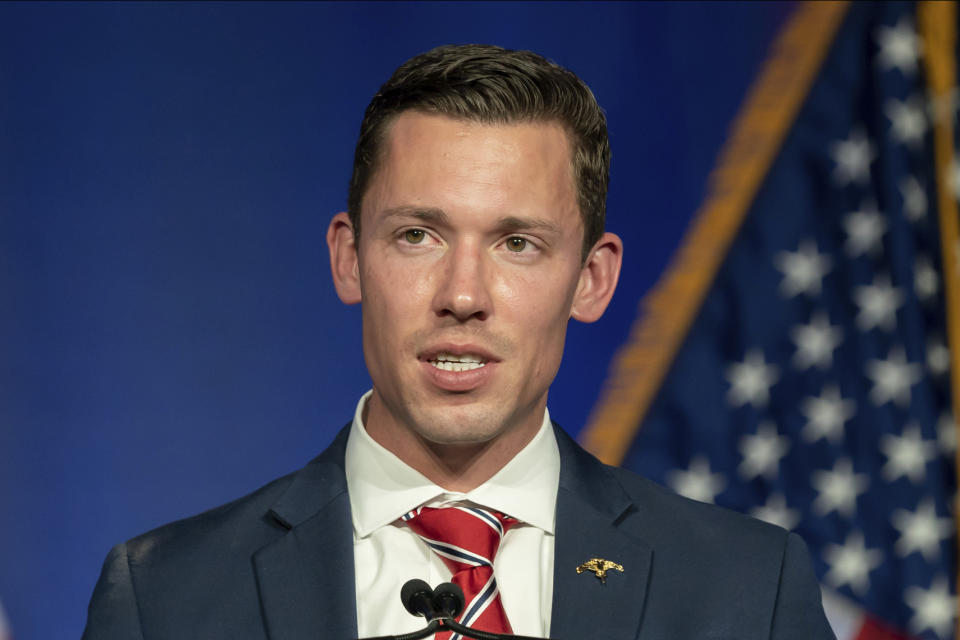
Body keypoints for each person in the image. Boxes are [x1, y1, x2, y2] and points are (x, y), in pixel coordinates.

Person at [83, 44, 835, 640]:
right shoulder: (164, 598)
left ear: (592, 280)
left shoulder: (745, 588)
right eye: (418, 236)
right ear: (349, 259)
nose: (463, 296)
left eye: (518, 244)